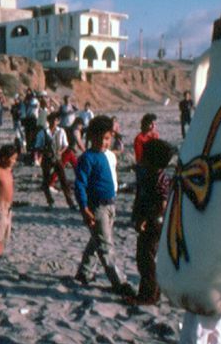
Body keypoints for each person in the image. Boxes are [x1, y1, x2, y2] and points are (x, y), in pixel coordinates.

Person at [73, 116, 134, 297]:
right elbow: (80, 185)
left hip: (110, 206)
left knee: (97, 241)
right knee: (106, 245)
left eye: (107, 139)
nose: (103, 142)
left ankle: (84, 273)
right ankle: (119, 282)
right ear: (91, 136)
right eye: (100, 138)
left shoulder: (105, 156)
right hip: (96, 208)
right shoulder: (87, 158)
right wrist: (84, 208)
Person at [127, 139, 174, 305]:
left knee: (145, 258)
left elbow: (161, 204)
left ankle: (148, 295)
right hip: (152, 221)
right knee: (147, 257)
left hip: (154, 223)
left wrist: (146, 219)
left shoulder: (159, 178)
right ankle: (153, 292)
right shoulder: (153, 175)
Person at [37, 112, 76, 209]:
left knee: (63, 180)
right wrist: (43, 152)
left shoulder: (61, 131)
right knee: (46, 181)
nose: (54, 122)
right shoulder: (43, 132)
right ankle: (50, 201)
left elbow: (65, 145)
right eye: (52, 120)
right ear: (48, 121)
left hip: (57, 158)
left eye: (56, 120)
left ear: (58, 121)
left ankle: (70, 202)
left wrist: (60, 152)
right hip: (46, 159)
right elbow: (38, 146)